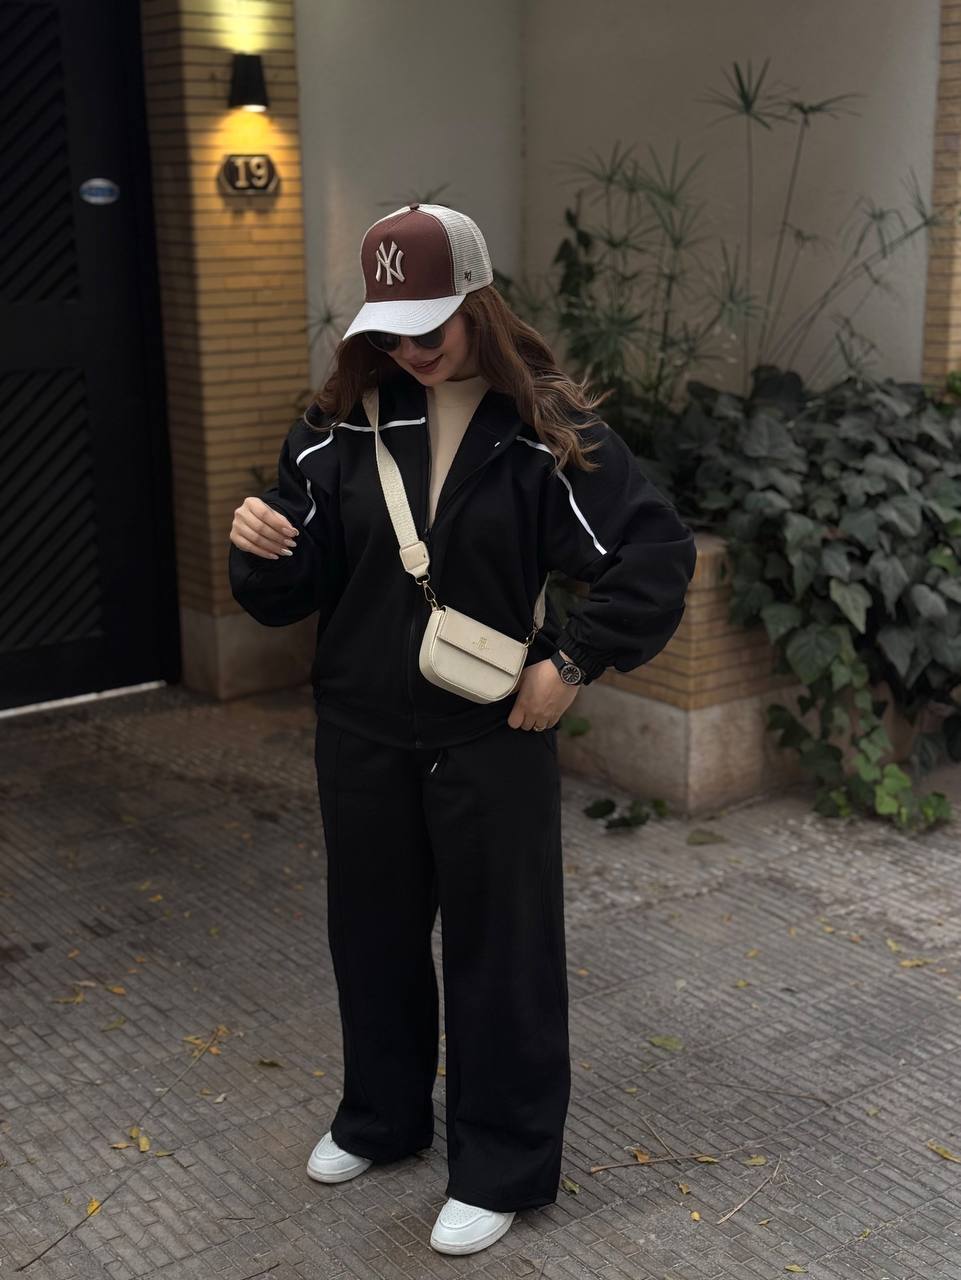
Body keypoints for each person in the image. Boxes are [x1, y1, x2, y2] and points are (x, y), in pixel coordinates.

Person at [228, 203, 697, 1256]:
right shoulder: (339, 425)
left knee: (503, 952)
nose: (409, 349)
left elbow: (654, 553)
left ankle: (501, 1163)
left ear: (477, 304)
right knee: (372, 935)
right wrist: (259, 545)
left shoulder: (544, 428)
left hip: (492, 733)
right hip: (360, 730)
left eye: (428, 327)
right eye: (389, 331)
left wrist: (571, 662)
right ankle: (381, 1120)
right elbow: (292, 587)